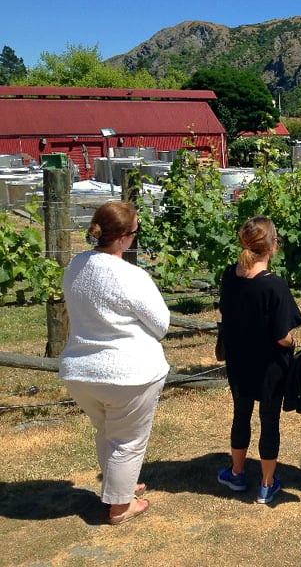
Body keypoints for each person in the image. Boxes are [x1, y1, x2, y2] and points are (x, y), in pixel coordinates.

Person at [59, 200, 169, 525]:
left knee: (107, 431)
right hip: (129, 374)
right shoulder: (131, 277)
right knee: (128, 441)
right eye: (134, 233)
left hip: (81, 372)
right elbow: (160, 324)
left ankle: (118, 485)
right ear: (122, 238)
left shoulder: (76, 265)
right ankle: (121, 507)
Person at [216, 216, 301, 504]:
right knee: (269, 420)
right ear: (272, 246)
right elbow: (282, 336)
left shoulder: (229, 276)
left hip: (239, 361)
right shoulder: (274, 286)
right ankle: (266, 484)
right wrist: (295, 343)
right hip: (270, 367)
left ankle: (237, 472)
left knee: (241, 415)